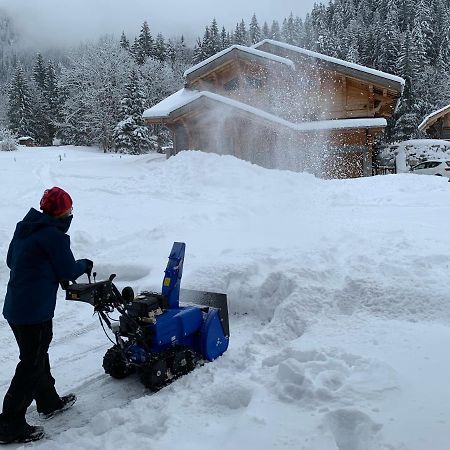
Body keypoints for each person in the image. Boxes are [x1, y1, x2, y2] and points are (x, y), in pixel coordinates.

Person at [0, 187, 93, 444]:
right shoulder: (54, 237)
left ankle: (48, 401)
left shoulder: (25, 228)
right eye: (70, 209)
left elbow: (11, 261)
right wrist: (84, 264)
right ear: (61, 211)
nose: (72, 213)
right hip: (35, 312)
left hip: (15, 309)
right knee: (30, 365)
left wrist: (42, 269)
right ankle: (9, 423)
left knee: (37, 355)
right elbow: (68, 270)